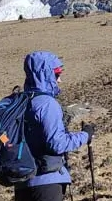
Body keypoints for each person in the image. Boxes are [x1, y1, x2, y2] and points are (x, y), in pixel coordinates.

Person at [17, 51, 94, 201]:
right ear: (45, 74)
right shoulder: (47, 104)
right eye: (57, 74)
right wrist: (86, 135)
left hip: (23, 183)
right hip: (46, 183)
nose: (60, 80)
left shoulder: (21, 103)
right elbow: (57, 144)